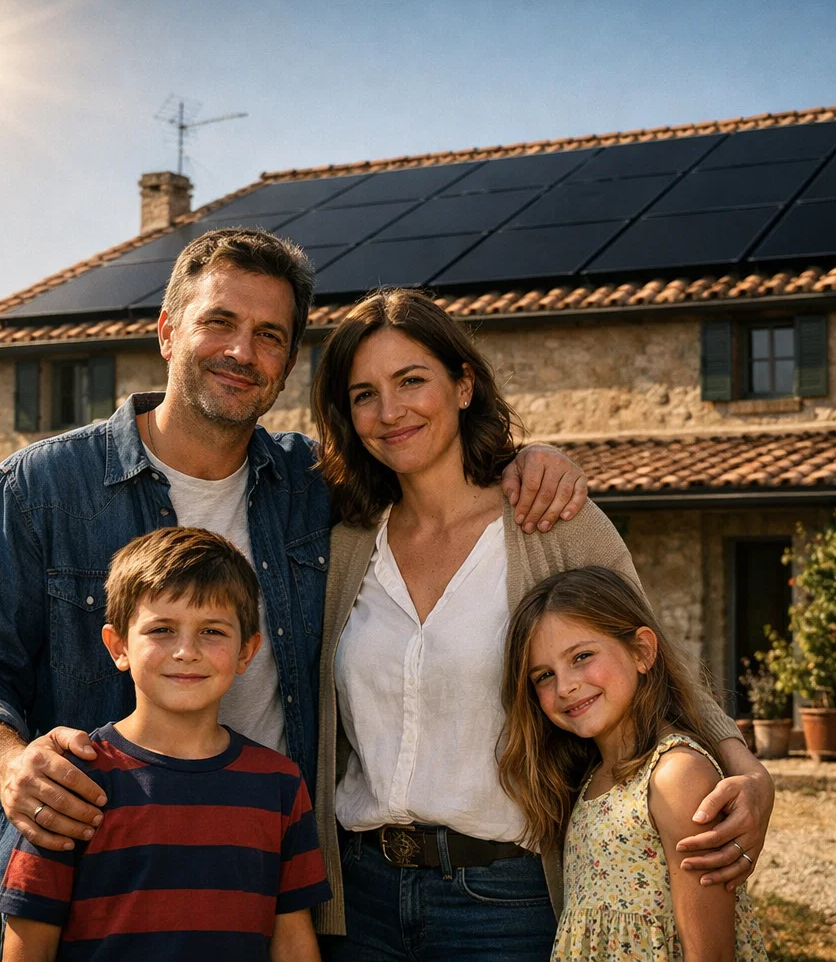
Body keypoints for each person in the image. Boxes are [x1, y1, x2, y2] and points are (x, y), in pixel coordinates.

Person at [0, 228, 589, 892]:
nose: (243, 352)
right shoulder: (38, 490)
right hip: (98, 888)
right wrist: (7, 764)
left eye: (270, 335)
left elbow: (429, 464)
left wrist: (522, 462)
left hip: (273, 883)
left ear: (289, 361)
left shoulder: (316, 485)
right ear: (167, 332)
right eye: (220, 322)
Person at [309, 289, 775, 960]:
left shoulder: (549, 519)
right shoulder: (347, 541)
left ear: (463, 384)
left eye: (412, 380)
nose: (390, 412)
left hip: (503, 901)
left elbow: (647, 658)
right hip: (362, 902)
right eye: (363, 394)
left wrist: (746, 768)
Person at [0, 527, 331, 961]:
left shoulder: (280, 785)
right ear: (118, 647)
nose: (186, 651)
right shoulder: (71, 782)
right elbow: (29, 946)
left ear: (247, 651)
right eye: (162, 630)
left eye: (212, 631)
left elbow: (292, 941)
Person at [500, 566, 769, 962]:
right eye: (543, 675)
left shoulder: (676, 776)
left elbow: (709, 954)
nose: (565, 686)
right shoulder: (591, 777)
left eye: (582, 656)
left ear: (642, 651)